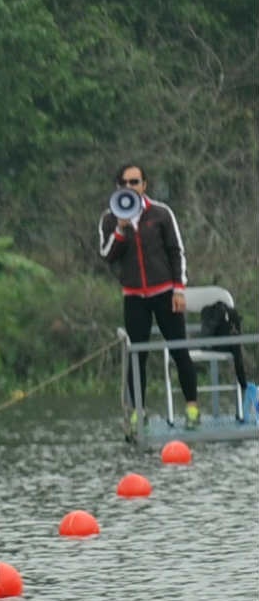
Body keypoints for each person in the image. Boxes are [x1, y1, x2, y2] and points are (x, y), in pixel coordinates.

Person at [100, 162, 198, 424]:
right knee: (137, 355)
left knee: (179, 350)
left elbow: (176, 251)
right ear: (118, 186)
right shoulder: (109, 218)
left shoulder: (161, 213)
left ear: (144, 185)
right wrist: (120, 229)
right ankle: (138, 412)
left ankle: (192, 408)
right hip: (134, 297)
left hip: (165, 292)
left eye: (135, 182)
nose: (130, 187)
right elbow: (107, 254)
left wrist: (179, 288)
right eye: (125, 183)